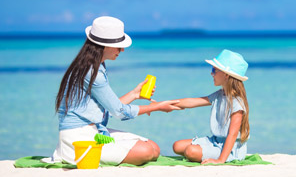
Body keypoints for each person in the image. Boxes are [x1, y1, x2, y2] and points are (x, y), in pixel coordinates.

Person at [46, 16, 180, 166]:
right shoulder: (92, 72)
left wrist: (135, 94)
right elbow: (119, 112)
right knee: (147, 151)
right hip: (78, 140)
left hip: (95, 131)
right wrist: (157, 107)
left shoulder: (95, 66)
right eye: (118, 46)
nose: (122, 50)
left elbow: (109, 109)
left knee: (153, 148)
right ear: (104, 46)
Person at [172, 49, 250, 164]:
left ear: (226, 75)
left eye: (214, 70)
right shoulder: (219, 95)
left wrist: (220, 160)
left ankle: (220, 155)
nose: (211, 73)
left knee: (190, 151)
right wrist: (163, 104)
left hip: (231, 148)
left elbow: (232, 134)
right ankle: (207, 150)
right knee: (177, 146)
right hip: (215, 141)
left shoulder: (237, 102)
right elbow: (192, 102)